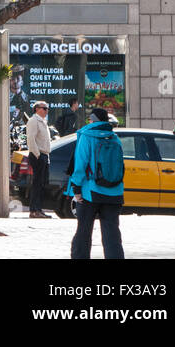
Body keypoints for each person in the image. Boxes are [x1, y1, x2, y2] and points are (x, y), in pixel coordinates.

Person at [68, 107, 125, 259]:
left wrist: (76, 188)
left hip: (90, 192)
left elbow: (80, 164)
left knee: (84, 231)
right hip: (115, 192)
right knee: (112, 234)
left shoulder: (86, 136)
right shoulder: (114, 138)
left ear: (92, 120)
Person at [26, 100, 52, 218]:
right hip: (38, 155)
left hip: (44, 155)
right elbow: (31, 139)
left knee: (42, 184)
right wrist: (37, 155)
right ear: (37, 109)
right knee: (37, 184)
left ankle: (38, 209)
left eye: (47, 108)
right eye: (44, 108)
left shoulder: (43, 121)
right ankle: (34, 210)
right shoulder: (33, 121)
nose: (46, 111)